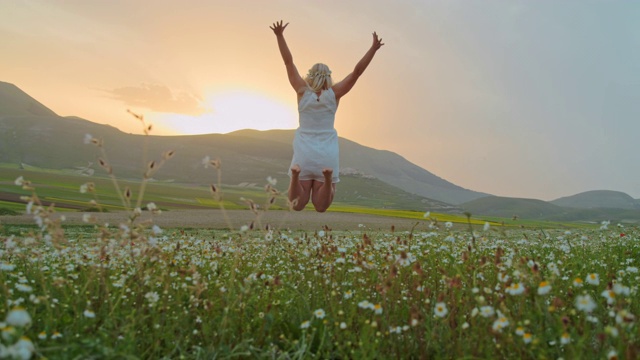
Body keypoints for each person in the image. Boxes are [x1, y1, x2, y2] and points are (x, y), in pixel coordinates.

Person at [270, 20, 384, 212]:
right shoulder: (334, 94)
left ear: (310, 76)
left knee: (296, 206)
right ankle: (328, 179)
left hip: (303, 152)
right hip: (327, 154)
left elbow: (288, 62)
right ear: (329, 77)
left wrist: (280, 36)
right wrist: (373, 48)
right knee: (321, 207)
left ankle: (296, 176)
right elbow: (357, 72)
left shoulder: (301, 92)